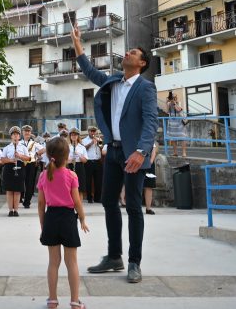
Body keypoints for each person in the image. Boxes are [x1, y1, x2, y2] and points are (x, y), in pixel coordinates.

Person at [71, 24, 157, 283]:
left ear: (141, 63)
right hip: (114, 152)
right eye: (127, 51)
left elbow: (151, 121)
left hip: (134, 156)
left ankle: (134, 262)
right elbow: (90, 71)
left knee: (133, 206)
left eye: (132, 52)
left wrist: (142, 152)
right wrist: (77, 45)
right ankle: (114, 256)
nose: (127, 54)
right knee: (108, 201)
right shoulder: (113, 81)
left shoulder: (145, 88)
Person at [38, 136, 89, 309]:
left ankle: (52, 300)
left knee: (53, 262)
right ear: (66, 156)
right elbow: (76, 201)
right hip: (67, 218)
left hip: (51, 217)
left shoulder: (43, 175)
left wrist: (43, 225)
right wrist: (82, 218)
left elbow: (41, 204)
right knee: (71, 262)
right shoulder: (71, 175)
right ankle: (75, 301)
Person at [0, 126, 30, 217]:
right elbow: (2, 159)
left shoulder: (23, 147)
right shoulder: (7, 147)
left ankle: (16, 210)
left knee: (17, 190)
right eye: (14, 134)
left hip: (20, 167)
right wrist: (11, 160)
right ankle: (10, 210)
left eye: (17, 134)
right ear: (11, 136)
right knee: (9, 190)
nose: (16, 136)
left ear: (19, 136)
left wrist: (20, 156)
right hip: (9, 168)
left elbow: (28, 158)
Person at [21, 125, 43, 209]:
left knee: (30, 183)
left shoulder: (34, 143)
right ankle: (20, 198)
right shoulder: (19, 142)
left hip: (31, 164)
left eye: (28, 131)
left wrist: (37, 154)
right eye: (25, 131)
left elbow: (44, 149)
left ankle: (27, 201)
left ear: (30, 133)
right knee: (20, 181)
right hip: (22, 164)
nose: (27, 133)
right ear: (22, 132)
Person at [81, 126, 103, 204]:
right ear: (88, 131)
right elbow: (84, 149)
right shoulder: (84, 140)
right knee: (88, 180)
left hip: (97, 161)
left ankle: (98, 198)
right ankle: (89, 198)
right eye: (91, 131)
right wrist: (91, 143)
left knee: (98, 181)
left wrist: (98, 143)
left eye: (94, 131)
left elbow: (102, 148)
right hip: (88, 162)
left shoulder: (99, 139)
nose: (93, 133)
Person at [67, 128, 88, 201]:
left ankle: (79, 205)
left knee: (80, 187)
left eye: (75, 135)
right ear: (70, 136)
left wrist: (78, 154)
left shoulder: (82, 147)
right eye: (72, 135)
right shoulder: (67, 147)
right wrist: (70, 160)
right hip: (70, 166)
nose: (74, 136)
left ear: (78, 136)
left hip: (79, 166)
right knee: (69, 187)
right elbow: (64, 160)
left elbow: (85, 160)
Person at [165, 91, 187, 157]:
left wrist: (174, 103)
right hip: (172, 122)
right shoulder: (169, 104)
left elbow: (179, 110)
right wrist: (167, 103)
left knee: (182, 137)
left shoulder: (178, 103)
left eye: (174, 97)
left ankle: (184, 153)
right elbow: (167, 111)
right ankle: (175, 152)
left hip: (179, 122)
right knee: (173, 138)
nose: (173, 98)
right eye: (172, 97)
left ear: (176, 98)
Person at [143, 144, 159, 215]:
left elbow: (153, 149)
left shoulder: (148, 135)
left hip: (148, 162)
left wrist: (151, 161)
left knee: (149, 186)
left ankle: (148, 208)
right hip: (136, 161)